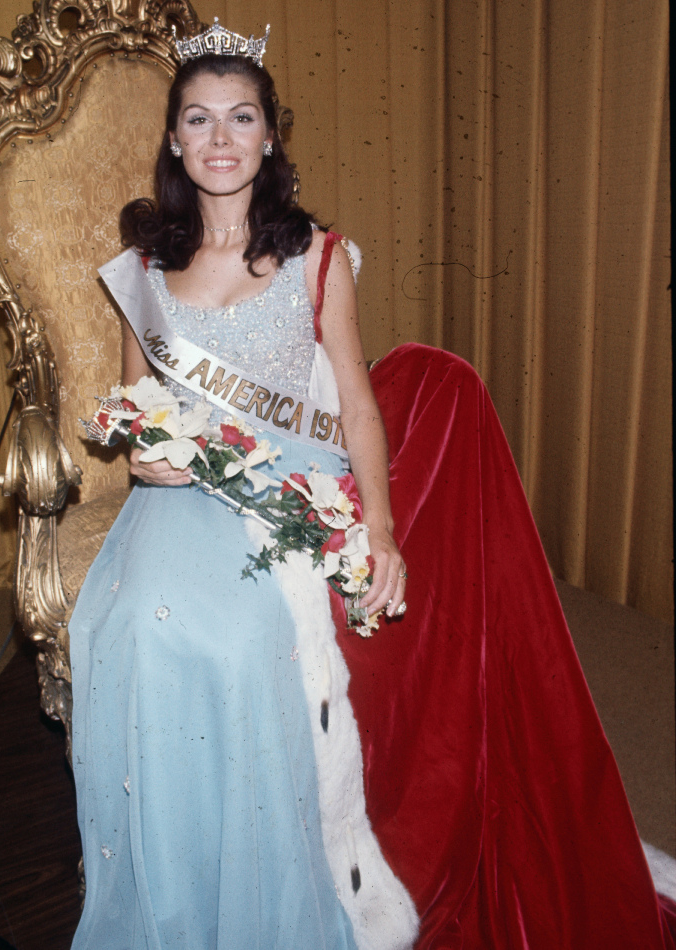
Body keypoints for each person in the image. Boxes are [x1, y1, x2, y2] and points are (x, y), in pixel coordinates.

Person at [69, 20, 676, 950]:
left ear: (271, 134)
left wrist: (382, 530)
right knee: (135, 624)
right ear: (175, 139)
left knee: (237, 638)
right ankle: (183, 874)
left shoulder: (315, 255)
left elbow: (354, 406)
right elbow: (138, 398)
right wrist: (141, 453)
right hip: (181, 492)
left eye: (241, 118)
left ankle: (272, 868)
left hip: (287, 483)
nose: (221, 139)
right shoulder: (147, 263)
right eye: (199, 120)